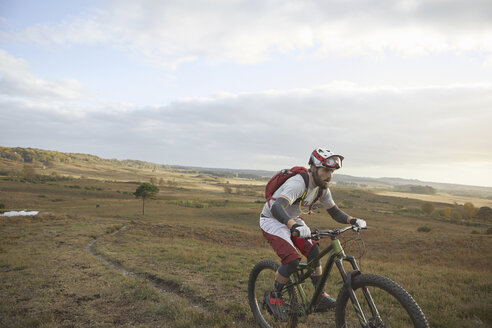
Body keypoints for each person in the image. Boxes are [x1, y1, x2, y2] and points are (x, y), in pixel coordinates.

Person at [260, 147, 367, 320]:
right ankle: (274, 295)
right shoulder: (298, 183)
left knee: (313, 250)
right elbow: (278, 206)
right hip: (272, 219)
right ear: (313, 168)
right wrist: (293, 225)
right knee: (292, 259)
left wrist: (353, 220)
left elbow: (334, 212)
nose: (329, 175)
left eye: (332, 171)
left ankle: (319, 298)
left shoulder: (322, 189)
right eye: (325, 170)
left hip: (292, 219)